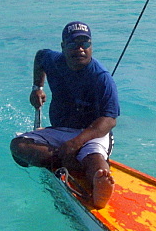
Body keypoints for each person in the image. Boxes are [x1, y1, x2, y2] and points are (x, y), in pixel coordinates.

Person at [11, 21, 120, 209]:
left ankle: (99, 182)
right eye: (73, 44)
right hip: (59, 130)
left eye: (85, 44)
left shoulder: (101, 77)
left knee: (96, 162)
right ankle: (71, 162)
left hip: (91, 133)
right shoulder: (53, 60)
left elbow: (109, 120)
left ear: (91, 46)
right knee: (18, 147)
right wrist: (37, 88)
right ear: (63, 47)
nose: (80, 49)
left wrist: (76, 143)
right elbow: (40, 57)